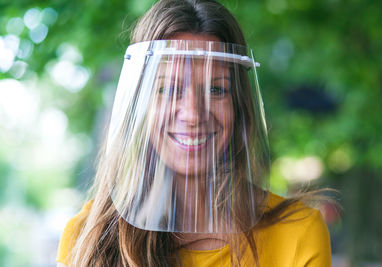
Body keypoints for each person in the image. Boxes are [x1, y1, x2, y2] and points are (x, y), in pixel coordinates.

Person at [56, 0, 332, 266]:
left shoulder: (297, 233)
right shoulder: (89, 237)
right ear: (141, 106)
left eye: (216, 89)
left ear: (239, 105)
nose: (193, 114)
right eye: (169, 89)